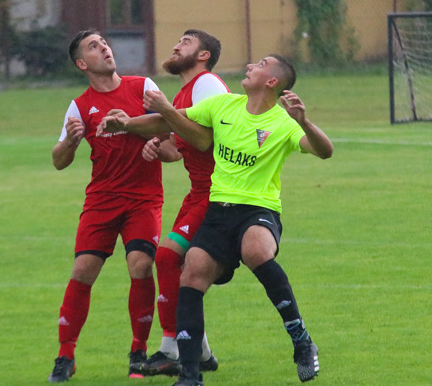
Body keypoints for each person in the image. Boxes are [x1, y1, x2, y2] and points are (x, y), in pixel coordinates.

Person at [105, 54, 333, 385]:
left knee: (256, 251)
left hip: (258, 209)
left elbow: (324, 151)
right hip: (217, 211)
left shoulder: (283, 123)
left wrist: (304, 122)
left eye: (261, 63)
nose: (251, 65)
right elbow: (168, 121)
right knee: (191, 275)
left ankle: (301, 340)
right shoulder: (223, 106)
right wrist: (126, 123)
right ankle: (191, 375)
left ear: (271, 81)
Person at [49, 29, 164, 383]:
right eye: (94, 47)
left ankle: (138, 353)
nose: (105, 48)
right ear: (83, 63)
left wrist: (150, 139)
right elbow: (58, 160)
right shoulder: (80, 105)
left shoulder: (143, 87)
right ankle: (65, 356)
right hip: (101, 200)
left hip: (143, 198)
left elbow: (172, 124)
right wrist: (70, 141)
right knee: (83, 270)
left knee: (140, 265)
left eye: (104, 43)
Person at [113, 29, 229, 377]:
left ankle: (171, 348)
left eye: (186, 42)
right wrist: (147, 140)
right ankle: (200, 349)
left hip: (217, 193)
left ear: (204, 54)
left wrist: (145, 120)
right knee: (175, 265)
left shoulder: (207, 84)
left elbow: (205, 140)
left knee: (166, 258)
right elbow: (177, 144)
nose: (177, 45)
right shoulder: (184, 94)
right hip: (197, 193)